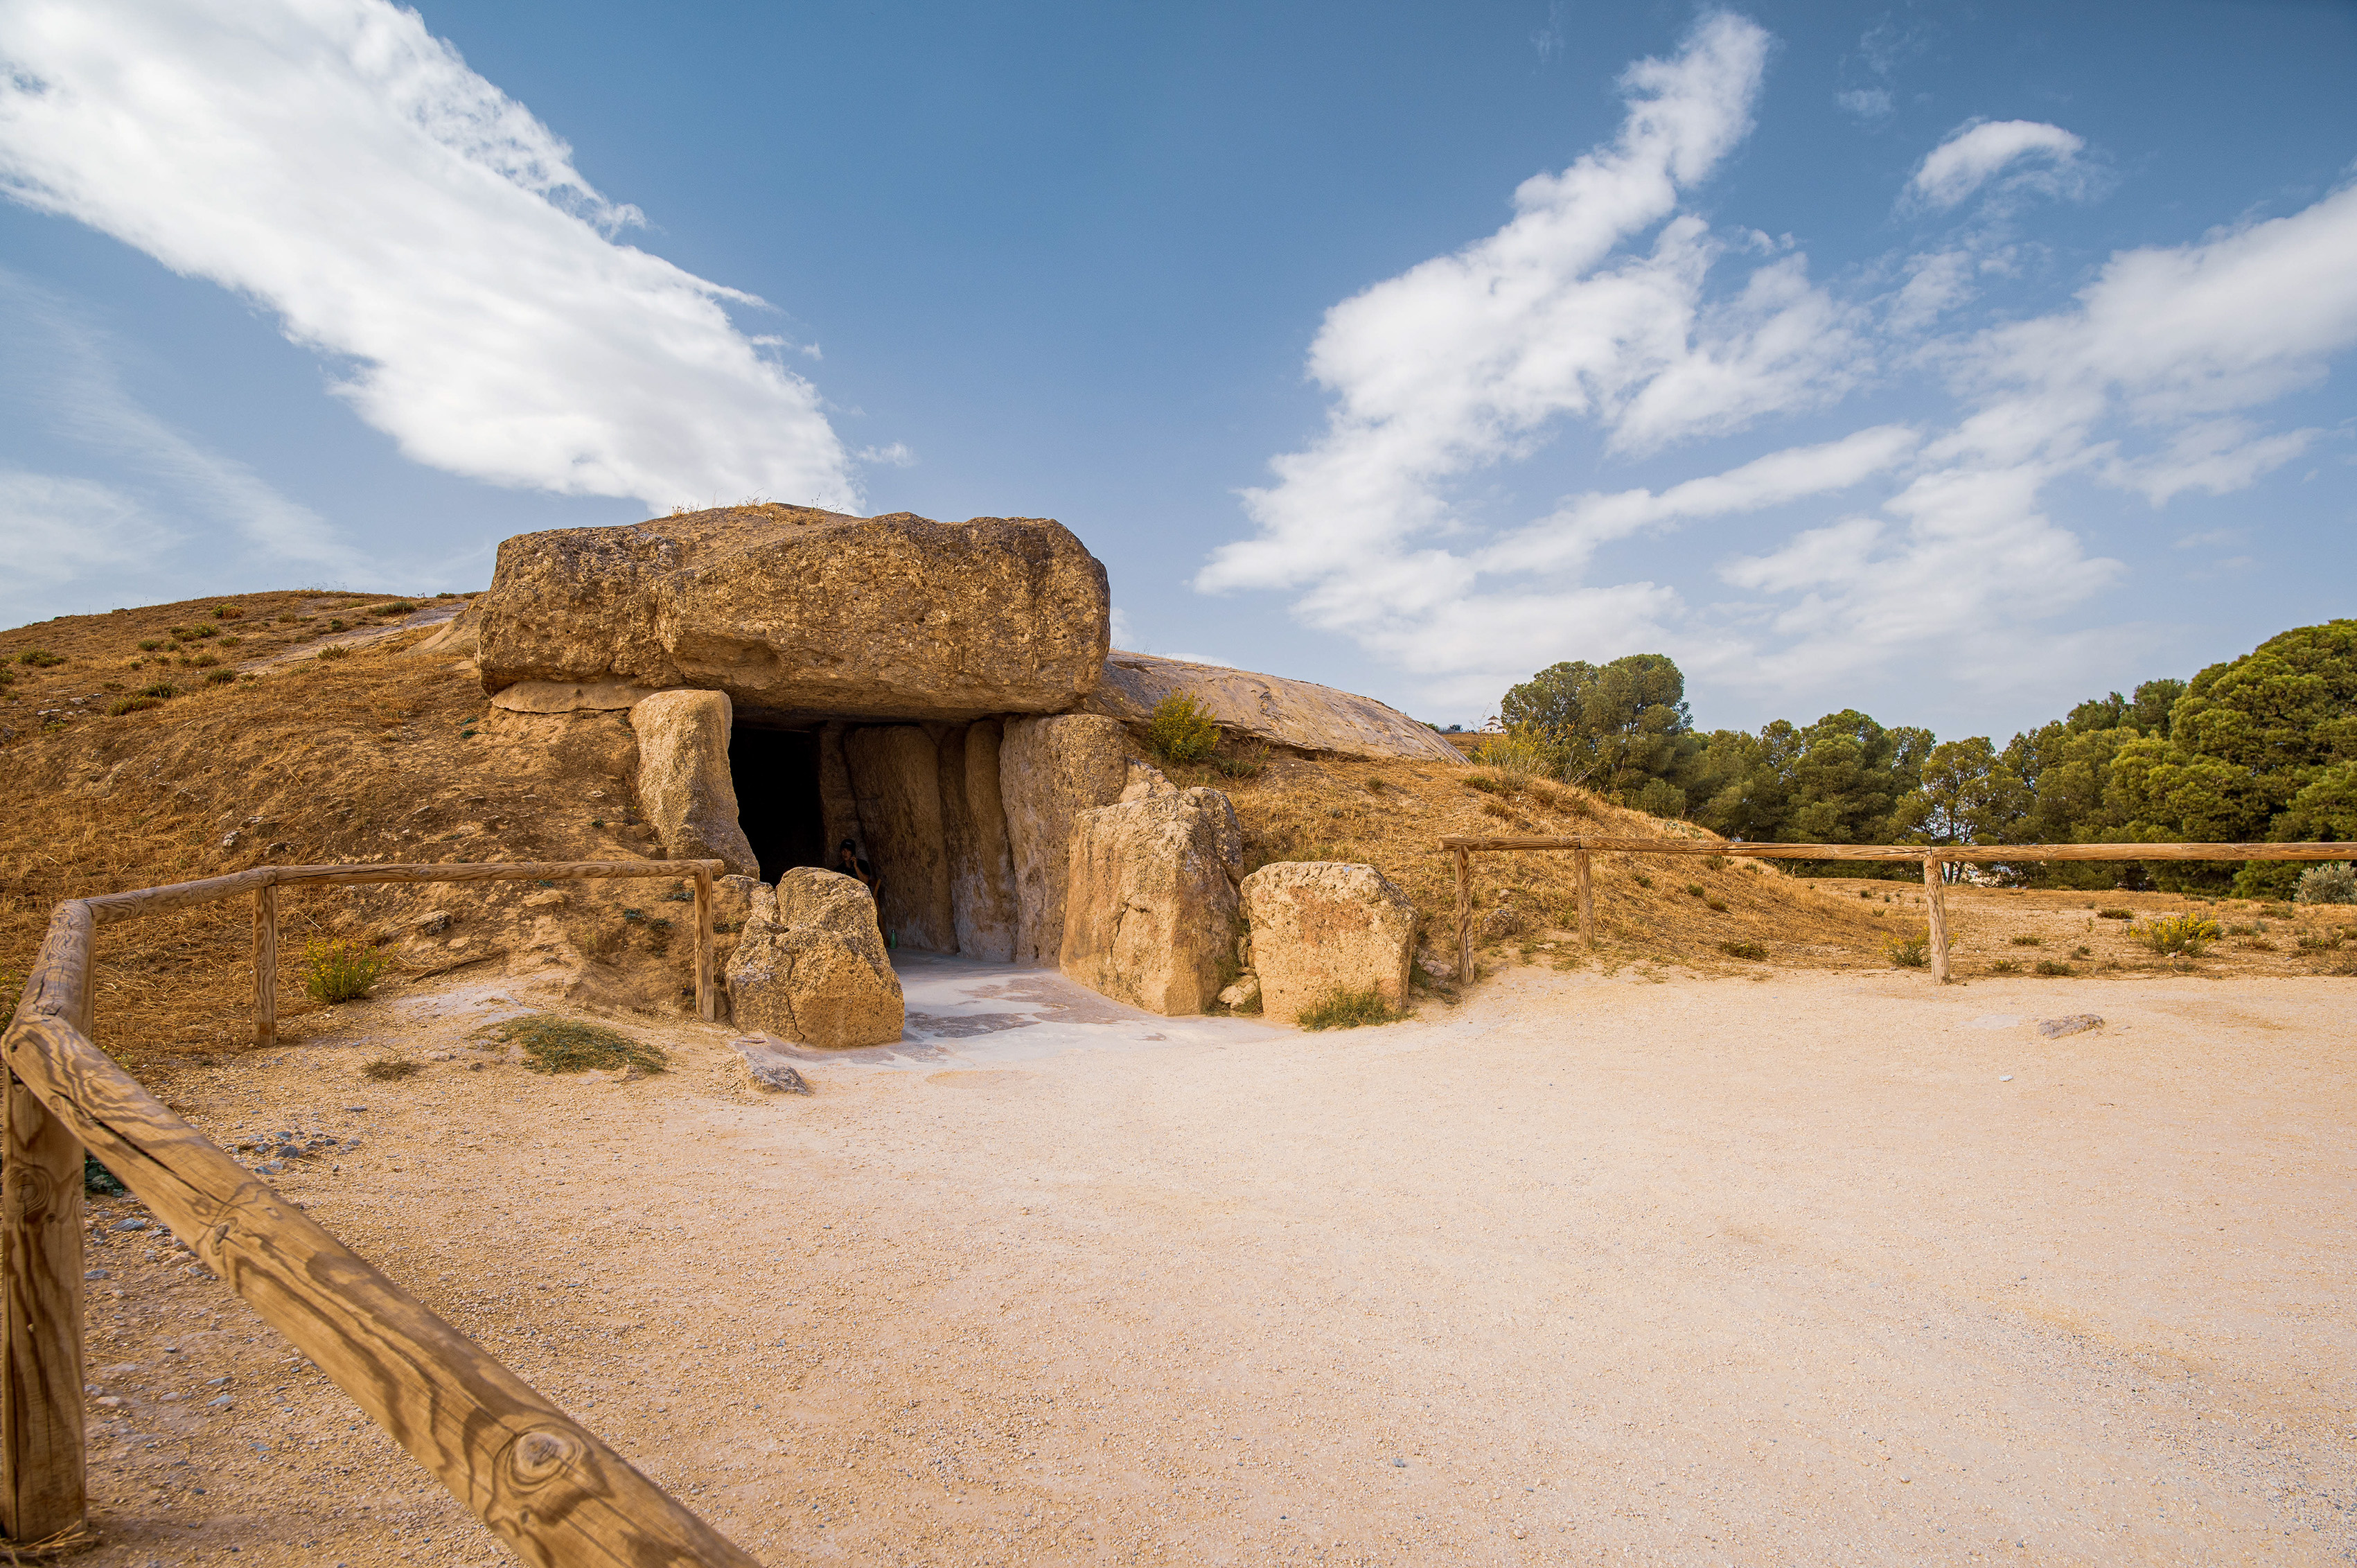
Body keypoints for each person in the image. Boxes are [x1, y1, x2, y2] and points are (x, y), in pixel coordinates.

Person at [837, 838, 891, 946]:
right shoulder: (839, 869)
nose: (845, 853)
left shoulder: (862, 865)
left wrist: (856, 867)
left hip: (862, 898)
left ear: (853, 852)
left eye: (848, 851)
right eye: (843, 850)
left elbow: (865, 881)